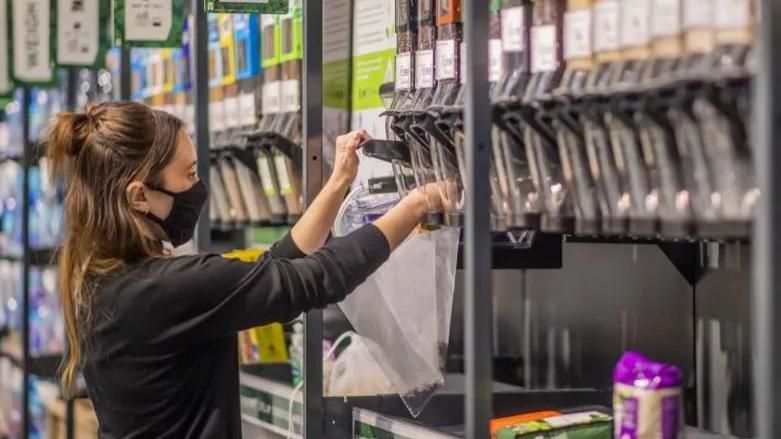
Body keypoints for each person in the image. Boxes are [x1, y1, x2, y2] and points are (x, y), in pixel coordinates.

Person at [47, 101, 436, 438]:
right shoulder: (163, 289)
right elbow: (314, 280)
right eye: (189, 174)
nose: (198, 187)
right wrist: (418, 203)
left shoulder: (109, 279)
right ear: (139, 196)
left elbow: (272, 269)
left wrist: (337, 185)